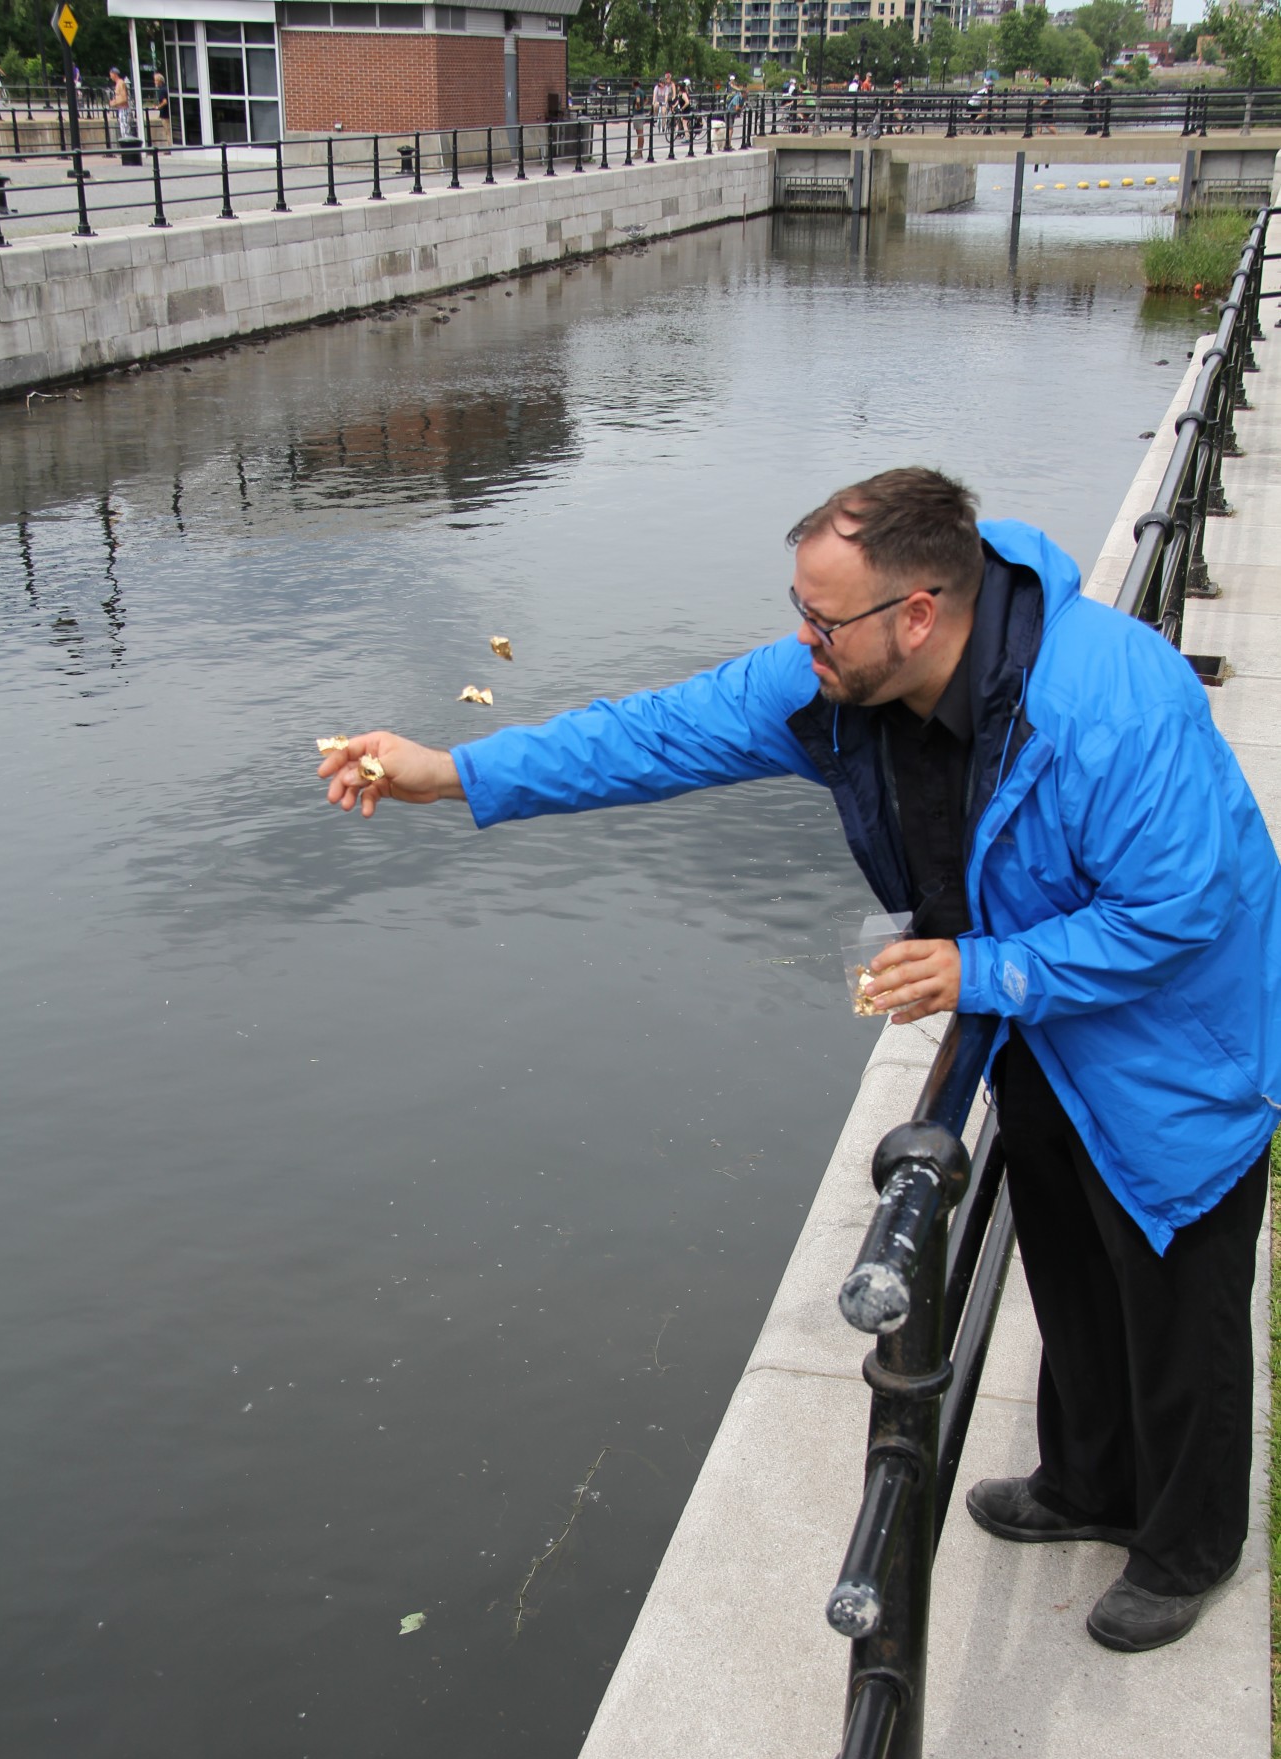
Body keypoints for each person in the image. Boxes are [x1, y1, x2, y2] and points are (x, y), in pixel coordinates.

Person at [318, 467, 1281, 1657]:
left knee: (1174, 1293)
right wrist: (450, 771)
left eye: (822, 620)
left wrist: (980, 975)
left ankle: (1187, 1548)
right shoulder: (837, 685)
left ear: (916, 615)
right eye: (798, 611)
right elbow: (655, 734)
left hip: (1174, 1044)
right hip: (1047, 1029)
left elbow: (1176, 910)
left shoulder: (1111, 702)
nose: (800, 640)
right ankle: (1086, 1482)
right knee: (1072, 1266)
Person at [108, 66, 132, 141]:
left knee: (125, 132)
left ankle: (128, 149)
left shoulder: (120, 83)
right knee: (123, 131)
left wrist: (113, 103)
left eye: (110, 74)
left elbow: (124, 98)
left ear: (114, 74)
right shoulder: (118, 83)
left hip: (124, 110)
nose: (110, 76)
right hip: (121, 109)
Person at [629, 78, 646, 158]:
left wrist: (638, 107)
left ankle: (639, 152)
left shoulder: (637, 92)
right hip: (642, 114)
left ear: (633, 84)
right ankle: (640, 151)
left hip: (638, 115)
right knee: (640, 133)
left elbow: (638, 100)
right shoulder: (642, 91)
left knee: (640, 134)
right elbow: (647, 99)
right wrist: (643, 106)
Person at [153, 69, 170, 143]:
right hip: (168, 113)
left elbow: (165, 102)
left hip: (165, 114)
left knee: (168, 131)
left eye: (156, 80)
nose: (155, 82)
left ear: (160, 81)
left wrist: (158, 107)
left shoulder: (161, 90)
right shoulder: (166, 88)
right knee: (168, 131)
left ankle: (170, 148)